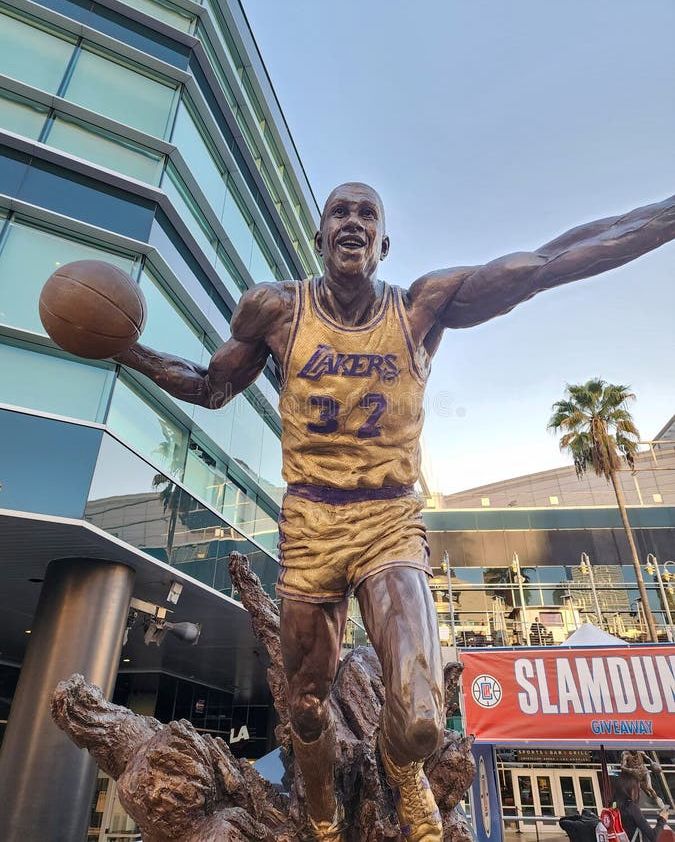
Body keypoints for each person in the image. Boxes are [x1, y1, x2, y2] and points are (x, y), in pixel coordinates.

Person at [113, 182, 675, 841]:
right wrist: (125, 349)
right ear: (318, 238)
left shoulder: (419, 308)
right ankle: (318, 794)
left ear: (383, 244)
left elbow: (547, 262)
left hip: (388, 519)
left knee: (420, 721)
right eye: (339, 213)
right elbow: (209, 387)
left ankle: (400, 767)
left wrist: (664, 217)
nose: (352, 222)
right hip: (310, 522)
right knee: (308, 705)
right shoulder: (275, 309)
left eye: (366, 214)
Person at [614, 771, 670, 842]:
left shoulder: (613, 805)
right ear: (631, 789)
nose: (639, 790)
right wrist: (662, 820)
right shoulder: (631, 807)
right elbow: (653, 836)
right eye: (637, 787)